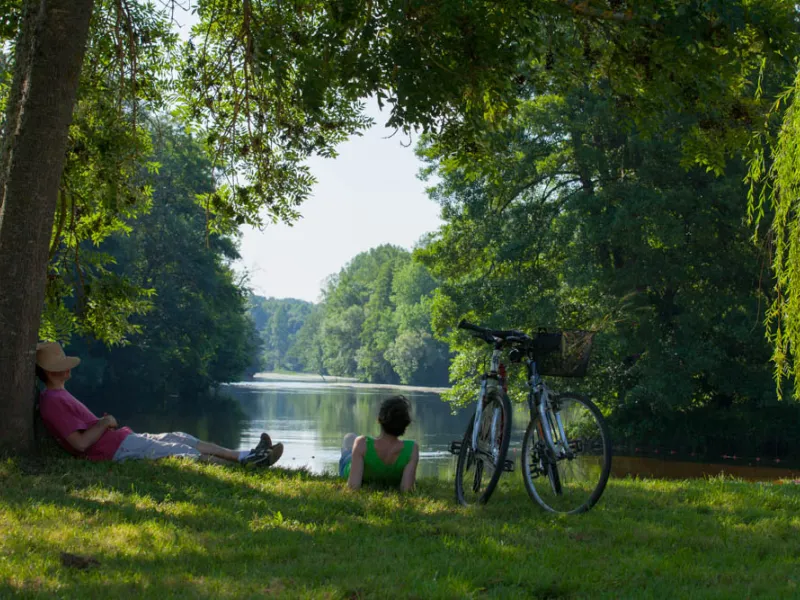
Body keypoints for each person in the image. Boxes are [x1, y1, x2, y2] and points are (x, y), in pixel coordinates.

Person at [35, 341, 283, 467]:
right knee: (183, 452)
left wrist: (105, 425)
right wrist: (104, 422)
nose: (67, 367)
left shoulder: (59, 395)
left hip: (121, 440)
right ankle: (251, 465)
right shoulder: (52, 401)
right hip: (114, 450)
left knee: (181, 437)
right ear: (50, 371)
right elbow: (80, 444)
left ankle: (246, 455)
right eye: (61, 364)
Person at [339, 395, 420, 492]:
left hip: (351, 464)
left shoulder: (362, 443)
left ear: (379, 419)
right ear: (405, 424)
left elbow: (353, 487)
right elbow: (407, 489)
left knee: (349, 438)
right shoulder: (412, 448)